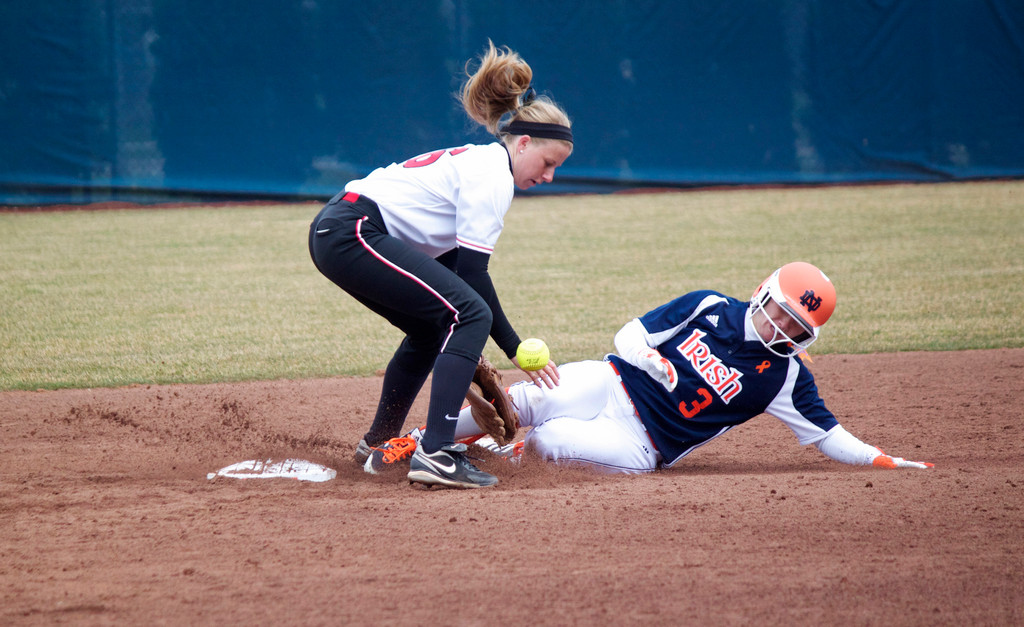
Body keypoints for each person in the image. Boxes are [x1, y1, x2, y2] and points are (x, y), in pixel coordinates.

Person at [308, 41, 568, 489]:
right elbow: (471, 282)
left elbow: (456, 273)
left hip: (344, 231)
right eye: (547, 163)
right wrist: (508, 347)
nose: (547, 177)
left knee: (435, 327)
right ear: (523, 143)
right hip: (353, 229)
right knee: (467, 313)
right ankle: (438, 453)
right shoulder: (492, 177)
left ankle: (378, 444)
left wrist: (475, 354)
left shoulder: (482, 165)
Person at [433, 261, 934, 473]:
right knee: (526, 400)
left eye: (797, 324)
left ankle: (493, 458)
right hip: (612, 383)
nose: (782, 325)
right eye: (780, 308)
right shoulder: (709, 305)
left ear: (810, 335)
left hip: (643, 443)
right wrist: (648, 358)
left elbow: (826, 434)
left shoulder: (786, 377)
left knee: (551, 442)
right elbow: (630, 335)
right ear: (762, 293)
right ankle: (424, 442)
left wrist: (879, 459)